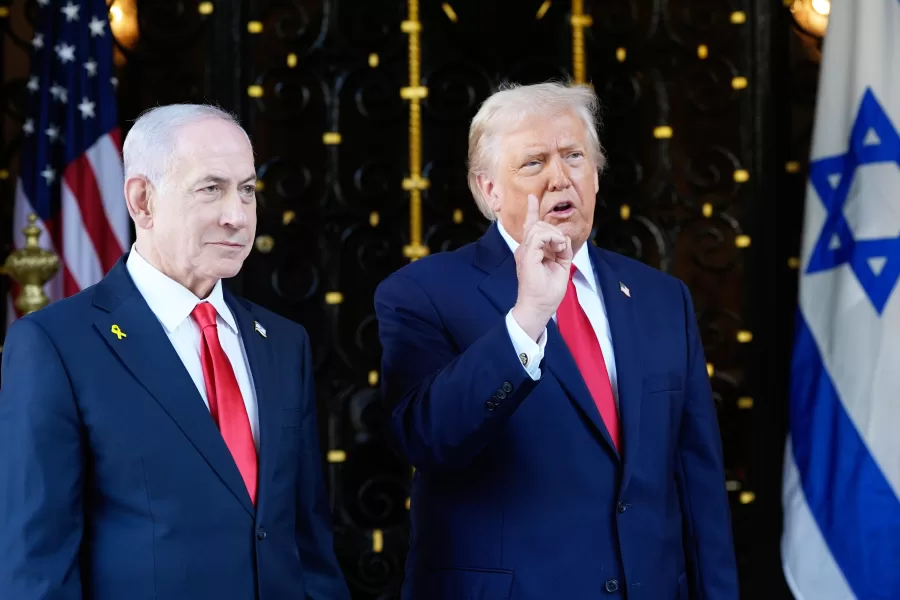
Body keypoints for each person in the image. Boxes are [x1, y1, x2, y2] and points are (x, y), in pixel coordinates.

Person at [374, 82, 739, 599]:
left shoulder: (663, 299)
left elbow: (697, 480)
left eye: (574, 156)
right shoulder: (421, 293)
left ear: (596, 173)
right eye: (534, 163)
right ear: (489, 189)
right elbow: (427, 439)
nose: (559, 177)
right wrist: (527, 319)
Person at [0, 104, 350, 600]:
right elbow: (36, 565)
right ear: (142, 200)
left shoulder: (282, 342)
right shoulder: (57, 344)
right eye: (211, 189)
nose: (237, 216)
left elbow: (307, 541)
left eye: (247, 190)